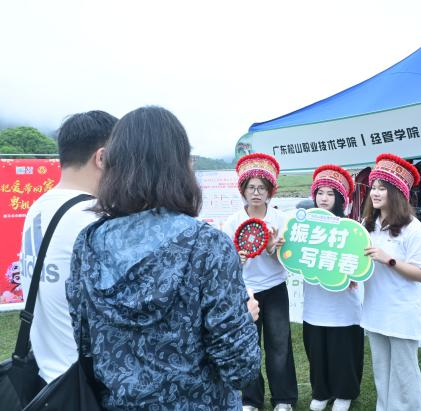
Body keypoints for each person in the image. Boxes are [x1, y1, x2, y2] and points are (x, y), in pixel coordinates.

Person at [66, 106, 261, 409]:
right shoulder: (207, 245)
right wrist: (244, 317)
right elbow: (240, 367)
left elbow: (85, 344)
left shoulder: (88, 242)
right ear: (180, 166)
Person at [20, 110, 117, 386]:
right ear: (101, 158)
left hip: (47, 381)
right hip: (83, 386)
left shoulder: (38, 206)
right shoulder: (93, 219)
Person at [223, 153, 298, 411]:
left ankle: (284, 399)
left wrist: (272, 249)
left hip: (275, 287)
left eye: (261, 188)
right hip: (245, 292)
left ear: (270, 192)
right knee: (248, 344)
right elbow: (226, 264)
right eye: (251, 187)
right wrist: (238, 259)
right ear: (243, 190)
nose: (256, 193)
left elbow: (287, 260)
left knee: (279, 344)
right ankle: (250, 399)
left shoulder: (280, 219)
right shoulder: (232, 222)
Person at [361, 153, 421, 411]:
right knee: (381, 371)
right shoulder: (367, 224)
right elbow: (360, 260)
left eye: (382, 188)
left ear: (397, 192)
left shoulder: (414, 229)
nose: (375, 193)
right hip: (375, 309)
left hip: (401, 312)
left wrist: (388, 259)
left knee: (404, 375)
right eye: (373, 187)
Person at [303, 165, 363, 411]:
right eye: (320, 193)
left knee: (342, 347)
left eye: (330, 193)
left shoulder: (350, 227)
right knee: (317, 347)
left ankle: (344, 392)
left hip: (342, 302)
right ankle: (321, 391)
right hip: (314, 300)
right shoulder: (304, 226)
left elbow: (360, 261)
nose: (324, 198)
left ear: (340, 198)